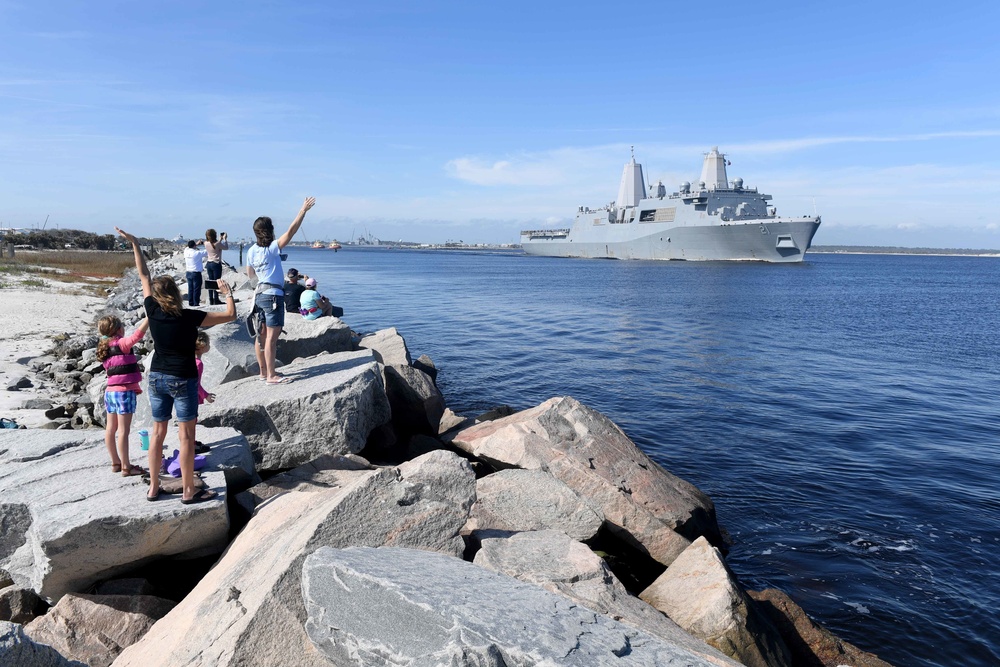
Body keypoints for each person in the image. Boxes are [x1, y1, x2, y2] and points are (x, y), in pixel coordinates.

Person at [116, 226, 236, 504]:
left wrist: (135, 242)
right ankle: (187, 491)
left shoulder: (153, 311)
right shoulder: (191, 316)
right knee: (186, 435)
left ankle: (154, 487)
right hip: (184, 377)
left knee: (158, 433)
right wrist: (227, 291)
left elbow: (144, 275)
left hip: (157, 376)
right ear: (177, 294)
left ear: (157, 297)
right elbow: (230, 315)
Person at [246, 196, 316, 384]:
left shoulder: (251, 250)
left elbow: (249, 274)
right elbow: (291, 231)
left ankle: (262, 372)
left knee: (260, 336)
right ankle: (271, 375)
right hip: (274, 296)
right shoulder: (272, 247)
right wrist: (303, 211)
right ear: (269, 230)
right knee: (271, 338)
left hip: (259, 295)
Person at [96, 315, 150, 477]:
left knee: (110, 429)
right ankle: (127, 467)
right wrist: (148, 317)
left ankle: (115, 463)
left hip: (110, 392)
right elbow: (138, 335)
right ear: (119, 329)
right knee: (124, 431)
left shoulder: (103, 347)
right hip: (124, 393)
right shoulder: (122, 344)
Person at [203, 229, 229, 305]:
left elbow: (215, 244)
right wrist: (225, 239)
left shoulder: (206, 243)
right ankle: (216, 299)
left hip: (209, 263)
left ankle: (211, 299)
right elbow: (226, 247)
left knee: (211, 282)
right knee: (217, 282)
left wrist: (220, 239)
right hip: (216, 263)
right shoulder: (217, 244)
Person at [183, 240, 208, 307]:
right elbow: (207, 251)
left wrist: (196, 244)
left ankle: (190, 302)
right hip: (196, 273)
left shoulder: (186, 251)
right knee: (197, 288)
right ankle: (196, 302)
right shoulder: (197, 253)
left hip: (188, 272)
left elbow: (187, 247)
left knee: (190, 288)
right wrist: (205, 244)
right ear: (194, 246)